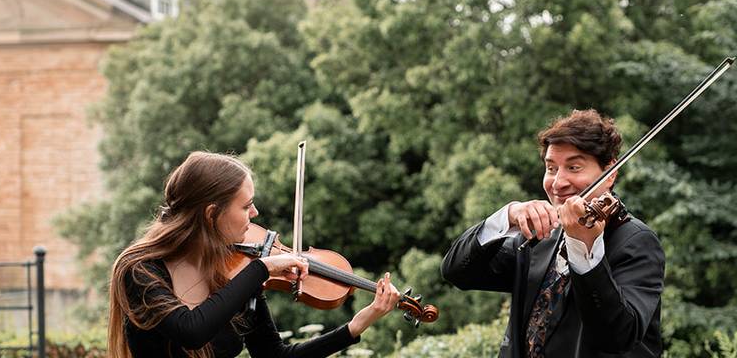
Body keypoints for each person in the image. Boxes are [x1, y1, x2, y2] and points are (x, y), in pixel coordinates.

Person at [108, 151, 401, 358]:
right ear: (212, 214)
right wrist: (262, 268)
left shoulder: (236, 271)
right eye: (246, 205)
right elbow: (191, 331)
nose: (255, 213)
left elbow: (275, 355)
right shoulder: (142, 270)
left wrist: (356, 325)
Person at [441, 109, 664, 358]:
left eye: (574, 167)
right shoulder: (540, 236)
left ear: (610, 173)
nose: (558, 183)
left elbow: (617, 336)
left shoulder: (636, 241)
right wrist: (507, 216)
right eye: (551, 168)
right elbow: (458, 272)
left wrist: (584, 251)